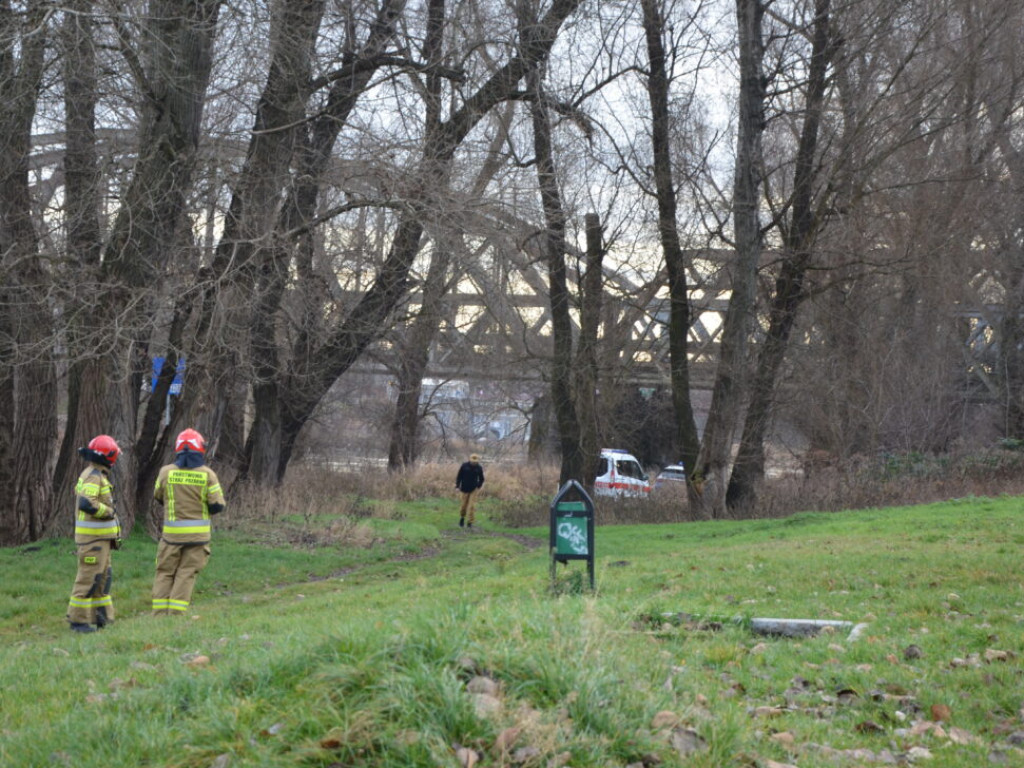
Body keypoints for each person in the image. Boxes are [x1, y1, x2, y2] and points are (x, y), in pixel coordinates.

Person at [152, 428, 225, 615]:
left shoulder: (165, 472)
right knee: (186, 573)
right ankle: (176, 615)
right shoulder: (208, 474)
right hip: (197, 538)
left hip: (170, 537)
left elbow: (158, 497)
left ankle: (159, 616)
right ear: (200, 449)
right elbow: (217, 505)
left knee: (165, 572)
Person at [67, 434, 122, 633]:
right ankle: (78, 621)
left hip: (101, 542)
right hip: (92, 542)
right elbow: (86, 503)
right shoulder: (93, 476)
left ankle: (103, 619)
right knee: (88, 579)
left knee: (102, 580)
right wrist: (108, 512)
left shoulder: (97, 474)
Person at [455, 453, 485, 528]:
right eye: (473, 461)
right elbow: (459, 476)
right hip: (464, 488)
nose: (474, 462)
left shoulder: (479, 468)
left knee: (471, 506)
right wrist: (457, 486)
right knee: (463, 506)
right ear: (470, 460)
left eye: (475, 461)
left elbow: (482, 479)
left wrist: (478, 486)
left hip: (473, 489)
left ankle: (470, 522)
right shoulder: (464, 466)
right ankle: (462, 518)